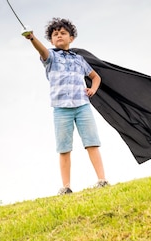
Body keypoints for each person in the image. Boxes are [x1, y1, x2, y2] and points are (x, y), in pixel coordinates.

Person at [23, 17, 109, 195]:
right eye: (55, 34)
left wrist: (93, 89)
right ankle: (66, 186)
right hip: (61, 109)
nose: (59, 36)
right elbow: (41, 50)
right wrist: (32, 38)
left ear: (71, 38)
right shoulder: (50, 57)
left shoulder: (79, 60)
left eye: (63, 33)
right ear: (51, 40)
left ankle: (102, 180)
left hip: (82, 106)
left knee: (92, 143)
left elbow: (96, 77)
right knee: (64, 148)